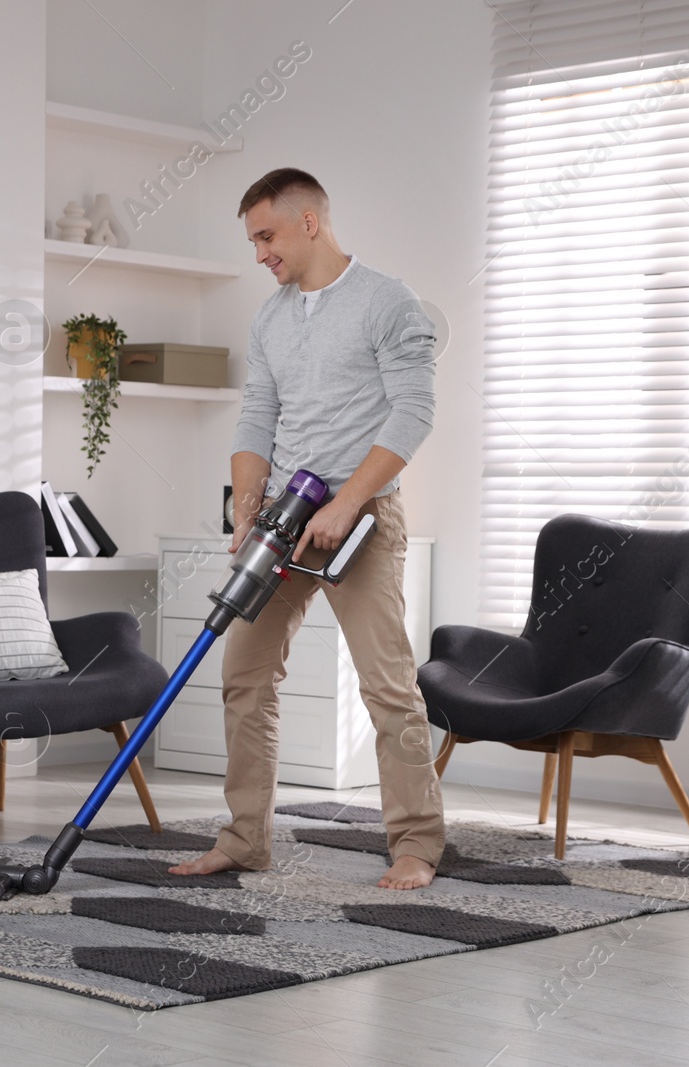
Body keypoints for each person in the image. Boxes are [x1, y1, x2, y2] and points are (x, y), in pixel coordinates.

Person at [168, 167, 445, 890]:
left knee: (387, 687)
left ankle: (416, 844)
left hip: (361, 517)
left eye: (266, 235)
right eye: (253, 239)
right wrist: (246, 501)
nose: (259, 252)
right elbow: (257, 414)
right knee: (244, 674)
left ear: (309, 222)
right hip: (287, 513)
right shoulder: (271, 317)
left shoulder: (388, 302)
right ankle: (244, 838)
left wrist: (348, 501)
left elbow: (412, 413)